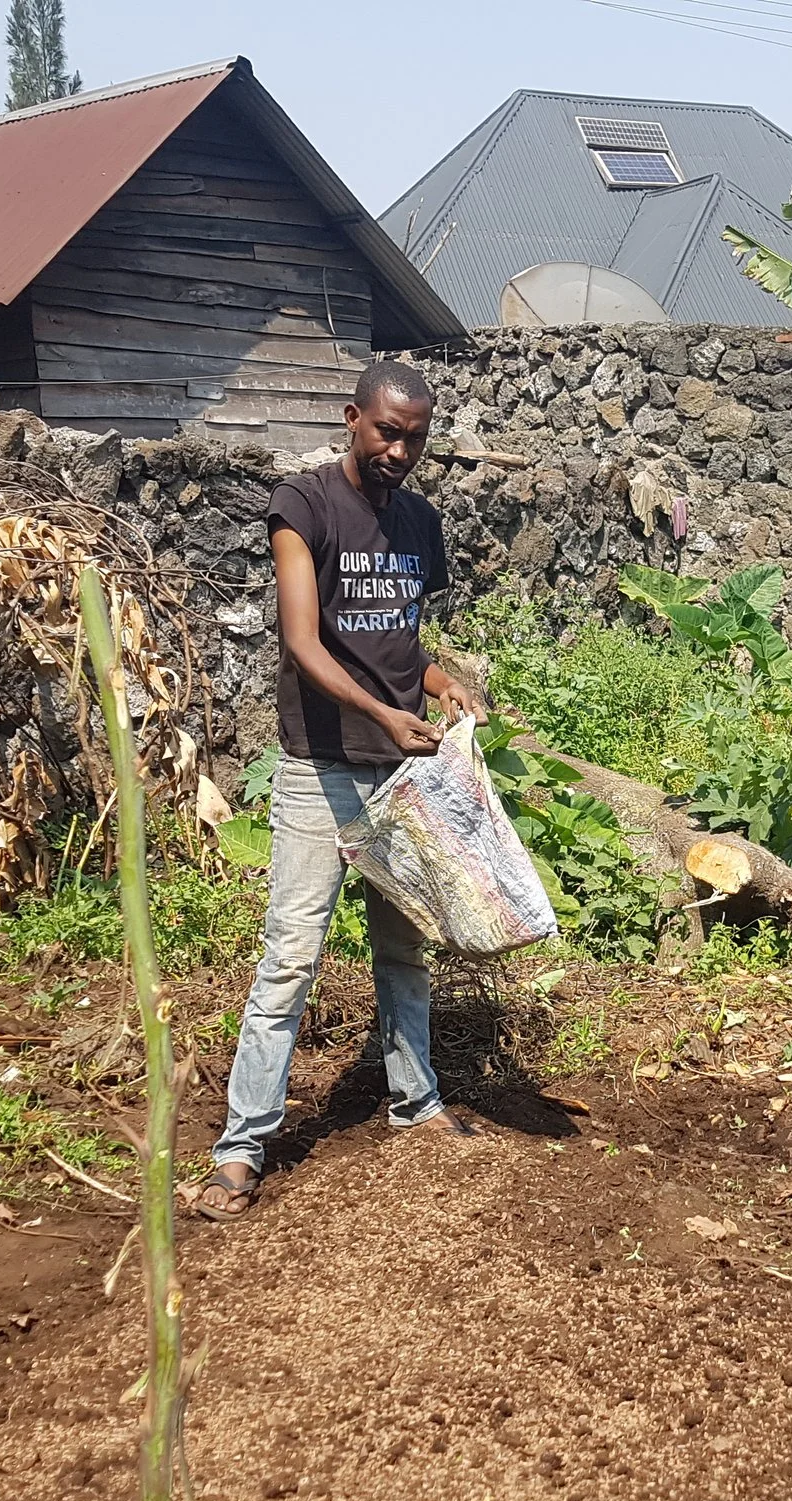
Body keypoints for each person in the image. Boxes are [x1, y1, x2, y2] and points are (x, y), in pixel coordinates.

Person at [192, 359, 485, 1219]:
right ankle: (241, 1150)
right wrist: (386, 717)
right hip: (323, 771)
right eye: (388, 430)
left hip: (402, 776)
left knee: (404, 949)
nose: (401, 449)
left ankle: (416, 1103)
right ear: (352, 418)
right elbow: (305, 643)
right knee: (290, 959)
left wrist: (438, 688)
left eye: (417, 437)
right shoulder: (305, 506)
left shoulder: (420, 524)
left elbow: (397, 646)